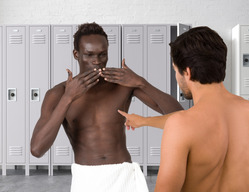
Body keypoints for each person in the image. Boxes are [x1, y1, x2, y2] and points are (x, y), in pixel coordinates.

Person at [30, 22, 183, 192]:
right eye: (89, 55)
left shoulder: (122, 85)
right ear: (76, 54)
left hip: (124, 177)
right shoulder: (58, 94)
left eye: (102, 55)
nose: (96, 61)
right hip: (86, 179)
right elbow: (37, 149)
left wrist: (141, 82)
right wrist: (68, 98)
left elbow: (179, 115)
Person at [118, 26, 249, 192]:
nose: (176, 77)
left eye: (175, 70)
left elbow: (187, 125)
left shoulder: (181, 125)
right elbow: (203, 124)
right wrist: (145, 121)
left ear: (187, 71)